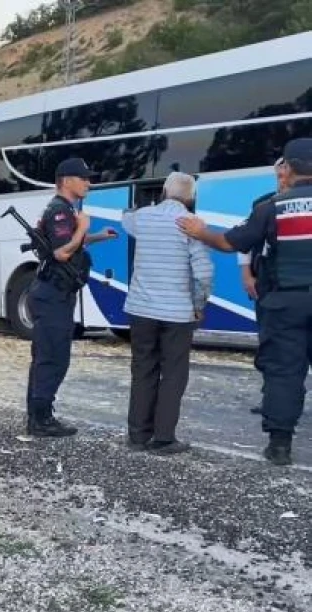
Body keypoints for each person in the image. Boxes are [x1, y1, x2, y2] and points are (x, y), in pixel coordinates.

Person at [178, 138, 312, 466]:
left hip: (285, 304)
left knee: (284, 373)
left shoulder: (271, 207)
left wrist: (200, 231)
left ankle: (279, 446)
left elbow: (229, 242)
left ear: (289, 167)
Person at [121, 172, 213, 454]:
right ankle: (163, 438)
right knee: (173, 373)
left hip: (141, 310)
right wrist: (198, 305)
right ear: (192, 198)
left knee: (143, 369)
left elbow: (125, 216)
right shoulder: (192, 226)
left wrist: (143, 206)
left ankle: (137, 436)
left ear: (163, 191)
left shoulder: (143, 218)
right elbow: (204, 273)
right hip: (177, 313)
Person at [25, 157, 118, 437]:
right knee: (53, 358)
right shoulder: (61, 212)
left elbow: (64, 244)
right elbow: (62, 253)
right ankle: (40, 420)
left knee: (48, 355)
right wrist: (83, 228)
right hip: (53, 294)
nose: (89, 182)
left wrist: (97, 236)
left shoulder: (63, 210)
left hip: (55, 294)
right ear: (66, 181)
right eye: (84, 178)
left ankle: (39, 416)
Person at [242, 157, 291, 416]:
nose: (283, 177)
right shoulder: (262, 204)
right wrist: (247, 275)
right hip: (268, 283)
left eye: (287, 172)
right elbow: (246, 241)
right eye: (279, 172)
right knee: (269, 342)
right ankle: (270, 399)